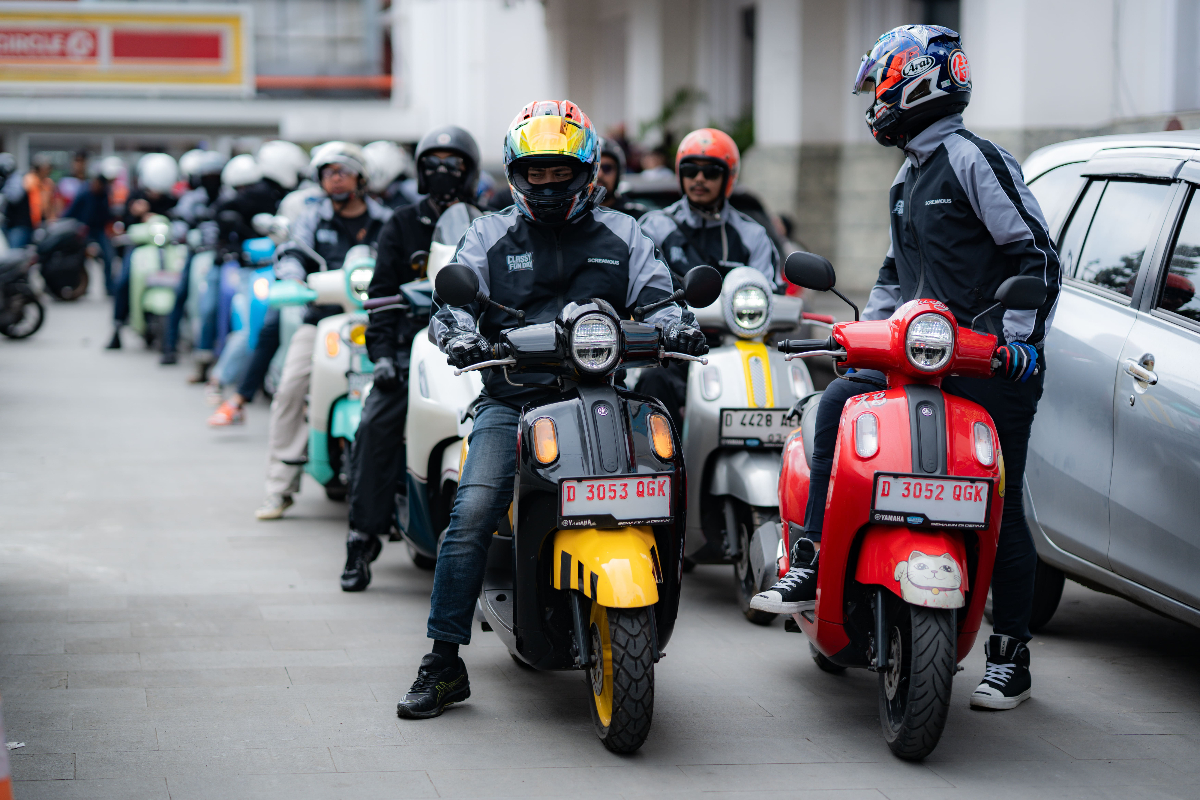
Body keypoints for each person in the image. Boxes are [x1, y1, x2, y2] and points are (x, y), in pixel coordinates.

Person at [750, 25, 1060, 713]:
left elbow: (1036, 257)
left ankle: (1010, 653)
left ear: (916, 83)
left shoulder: (975, 161)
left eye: (881, 88)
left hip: (990, 366)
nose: (876, 104)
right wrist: (862, 333)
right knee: (833, 407)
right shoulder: (906, 179)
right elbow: (895, 275)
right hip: (914, 358)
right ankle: (809, 562)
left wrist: (1015, 341)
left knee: (996, 506)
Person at [394, 99, 706, 720]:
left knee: (665, 482)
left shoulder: (624, 233)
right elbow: (453, 300)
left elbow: (662, 297)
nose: (546, 181)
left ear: (585, 169)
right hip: (512, 400)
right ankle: (444, 661)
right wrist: (458, 331)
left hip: (604, 398)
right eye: (534, 171)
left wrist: (679, 324)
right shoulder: (487, 233)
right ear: (517, 173)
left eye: (558, 170)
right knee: (475, 507)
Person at [340, 125, 482, 592]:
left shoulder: (490, 222)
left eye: (453, 164)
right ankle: (361, 542)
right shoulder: (400, 224)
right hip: (409, 348)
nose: (443, 172)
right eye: (433, 164)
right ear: (420, 172)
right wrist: (381, 356)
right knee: (377, 423)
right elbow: (379, 300)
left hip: (478, 347)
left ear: (470, 171)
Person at [252, 143, 393, 520]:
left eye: (342, 171)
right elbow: (293, 255)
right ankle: (279, 488)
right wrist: (293, 280)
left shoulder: (384, 220)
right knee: (289, 389)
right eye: (327, 172)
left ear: (362, 178)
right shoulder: (311, 217)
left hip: (378, 321)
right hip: (322, 322)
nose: (334, 178)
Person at [634, 127, 780, 427]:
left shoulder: (752, 234)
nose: (699, 179)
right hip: (673, 351)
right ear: (679, 174)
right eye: (691, 171)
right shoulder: (656, 227)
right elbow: (640, 291)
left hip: (736, 349)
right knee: (652, 380)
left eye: (710, 172)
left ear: (729, 177)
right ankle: (665, 470)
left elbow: (772, 296)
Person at [160, 149, 229, 365]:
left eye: (215, 176)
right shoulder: (192, 200)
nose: (212, 181)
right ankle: (169, 346)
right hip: (196, 253)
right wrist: (184, 235)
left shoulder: (229, 198)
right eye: (207, 177)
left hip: (222, 255)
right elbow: (179, 223)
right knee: (180, 293)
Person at [106, 153, 179, 350]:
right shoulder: (135, 197)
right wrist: (135, 214)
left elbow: (178, 222)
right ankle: (117, 328)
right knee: (123, 282)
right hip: (140, 248)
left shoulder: (172, 201)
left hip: (166, 248)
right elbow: (124, 224)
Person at [63, 163, 116, 295]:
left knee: (108, 257)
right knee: (79, 258)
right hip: (83, 232)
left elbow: (107, 215)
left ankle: (109, 287)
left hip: (99, 231)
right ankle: (79, 284)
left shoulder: (104, 196)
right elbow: (70, 212)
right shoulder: (84, 194)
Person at [596, 137, 647, 220]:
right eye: (595, 168)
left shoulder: (638, 217)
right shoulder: (572, 217)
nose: (599, 174)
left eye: (607, 168)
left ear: (619, 172)